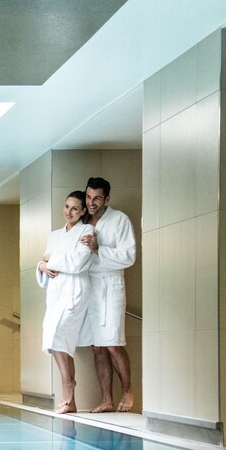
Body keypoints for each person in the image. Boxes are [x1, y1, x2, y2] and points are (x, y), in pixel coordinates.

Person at [79, 177, 136, 412]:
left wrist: (98, 248)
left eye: (97, 198)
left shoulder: (120, 220)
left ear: (107, 199)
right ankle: (106, 400)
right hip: (89, 287)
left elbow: (129, 256)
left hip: (111, 286)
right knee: (97, 346)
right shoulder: (82, 221)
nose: (91, 203)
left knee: (112, 343)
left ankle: (128, 391)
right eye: (88, 197)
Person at [36, 191, 95, 414]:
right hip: (56, 293)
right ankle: (70, 399)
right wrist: (41, 266)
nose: (69, 212)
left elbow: (78, 262)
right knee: (55, 339)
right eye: (66, 206)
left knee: (59, 336)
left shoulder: (87, 231)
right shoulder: (54, 235)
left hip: (75, 292)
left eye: (74, 208)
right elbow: (45, 261)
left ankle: (68, 384)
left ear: (82, 211)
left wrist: (51, 260)